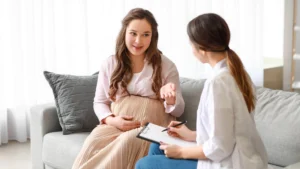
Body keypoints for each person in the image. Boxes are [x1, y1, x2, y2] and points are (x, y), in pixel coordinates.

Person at [135, 13, 268, 169]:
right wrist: (191, 135)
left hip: (231, 164)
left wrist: (181, 152)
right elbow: (227, 133)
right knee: (156, 147)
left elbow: (220, 148)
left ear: (202, 48)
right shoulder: (239, 74)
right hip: (239, 156)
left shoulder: (218, 84)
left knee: (144, 164)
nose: (192, 50)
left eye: (192, 45)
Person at [72, 8, 185, 169]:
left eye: (146, 34)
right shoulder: (110, 64)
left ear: (153, 37)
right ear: (124, 32)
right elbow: (100, 102)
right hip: (115, 125)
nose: (138, 41)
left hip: (150, 128)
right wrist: (112, 120)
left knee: (127, 141)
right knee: (93, 141)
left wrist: (171, 99)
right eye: (133, 33)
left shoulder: (166, 66)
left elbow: (179, 110)